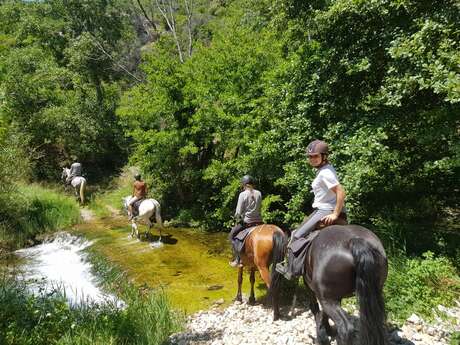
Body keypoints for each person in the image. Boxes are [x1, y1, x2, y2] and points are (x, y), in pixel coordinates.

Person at [276, 139, 347, 279]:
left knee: (296, 235)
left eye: (315, 156)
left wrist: (335, 214)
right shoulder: (324, 170)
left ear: (324, 156)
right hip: (324, 208)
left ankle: (290, 269)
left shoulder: (325, 172)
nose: (312, 159)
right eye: (310, 156)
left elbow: (341, 192)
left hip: (325, 210)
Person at [228, 175, 264, 267]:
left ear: (244, 185)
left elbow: (238, 212)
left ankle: (237, 260)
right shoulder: (259, 193)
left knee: (232, 236)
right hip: (259, 221)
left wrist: (235, 218)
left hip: (247, 222)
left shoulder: (242, 194)